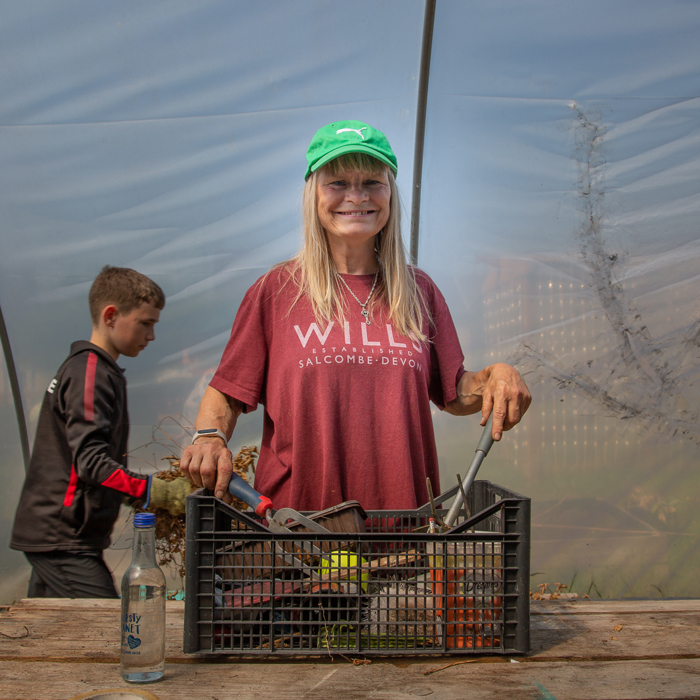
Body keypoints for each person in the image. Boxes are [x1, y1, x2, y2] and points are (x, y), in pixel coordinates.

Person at [181, 120, 531, 512]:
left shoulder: (420, 292)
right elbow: (228, 391)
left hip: (401, 533)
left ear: (390, 194)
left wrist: (495, 376)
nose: (356, 196)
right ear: (314, 194)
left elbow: (454, 393)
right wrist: (209, 437)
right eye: (338, 183)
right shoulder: (276, 291)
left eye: (371, 182)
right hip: (297, 536)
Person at [10, 265, 189, 598]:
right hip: (63, 537)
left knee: (49, 635)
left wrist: (132, 493)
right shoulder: (89, 371)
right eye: (145, 323)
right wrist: (153, 491)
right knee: (108, 631)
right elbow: (91, 463)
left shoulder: (97, 370)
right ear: (110, 315)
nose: (151, 336)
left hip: (65, 536)